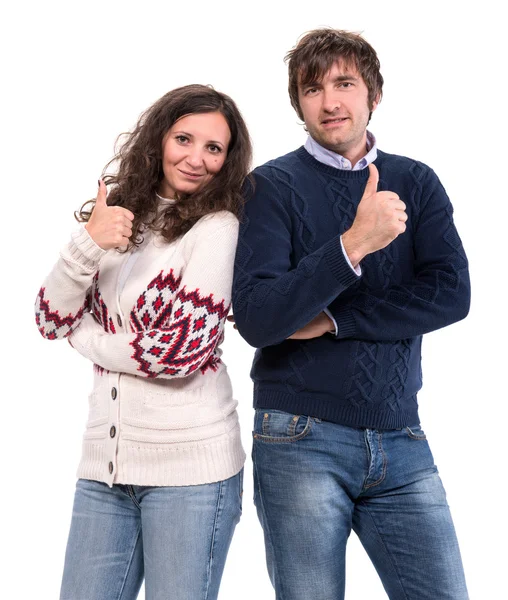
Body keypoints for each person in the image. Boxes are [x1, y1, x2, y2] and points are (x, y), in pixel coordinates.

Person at [231, 29, 470, 599]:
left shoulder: (417, 180)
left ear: (373, 96)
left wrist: (338, 320)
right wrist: (352, 246)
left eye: (344, 84)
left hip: (401, 434)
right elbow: (260, 320)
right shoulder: (271, 186)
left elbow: (451, 294)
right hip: (301, 435)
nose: (330, 102)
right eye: (312, 90)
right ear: (298, 104)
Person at [35, 84, 251, 600]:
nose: (196, 159)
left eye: (213, 148)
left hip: (191, 475)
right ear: (159, 139)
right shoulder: (118, 219)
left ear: (228, 160)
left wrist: (84, 335)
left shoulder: (217, 228)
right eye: (184, 138)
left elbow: (177, 353)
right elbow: (47, 317)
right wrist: (89, 242)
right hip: (103, 473)